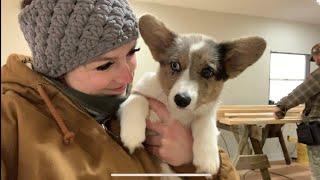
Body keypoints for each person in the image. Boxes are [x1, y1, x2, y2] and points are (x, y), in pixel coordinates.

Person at [1, 0, 238, 179]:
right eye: (105, 65)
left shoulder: (145, 106)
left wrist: (189, 161)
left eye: (132, 53)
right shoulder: (11, 122)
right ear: (57, 69)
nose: (128, 75)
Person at [273, 43, 320, 180]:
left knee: (317, 162)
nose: (316, 60)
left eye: (317, 56)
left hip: (317, 124)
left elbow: (300, 93)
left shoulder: (318, 75)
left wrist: (282, 106)